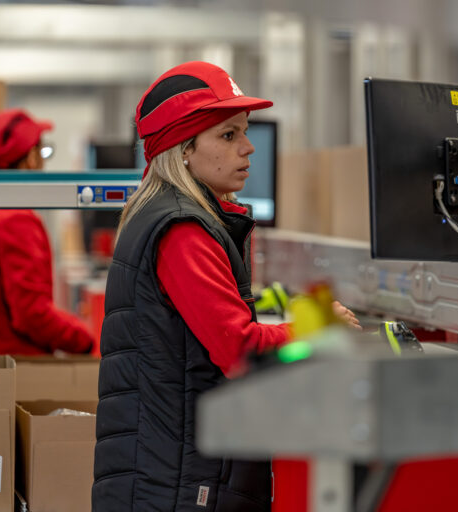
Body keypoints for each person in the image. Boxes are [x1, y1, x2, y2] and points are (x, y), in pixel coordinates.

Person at [92, 61, 359, 512]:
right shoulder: (182, 230)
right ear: (183, 150)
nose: (249, 149)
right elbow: (240, 350)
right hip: (180, 484)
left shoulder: (173, 217)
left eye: (245, 132)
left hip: (170, 473)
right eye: (229, 135)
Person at [0, 108, 94, 355]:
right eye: (43, 151)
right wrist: (87, 340)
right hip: (14, 371)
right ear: (31, 159)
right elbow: (32, 315)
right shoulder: (14, 220)